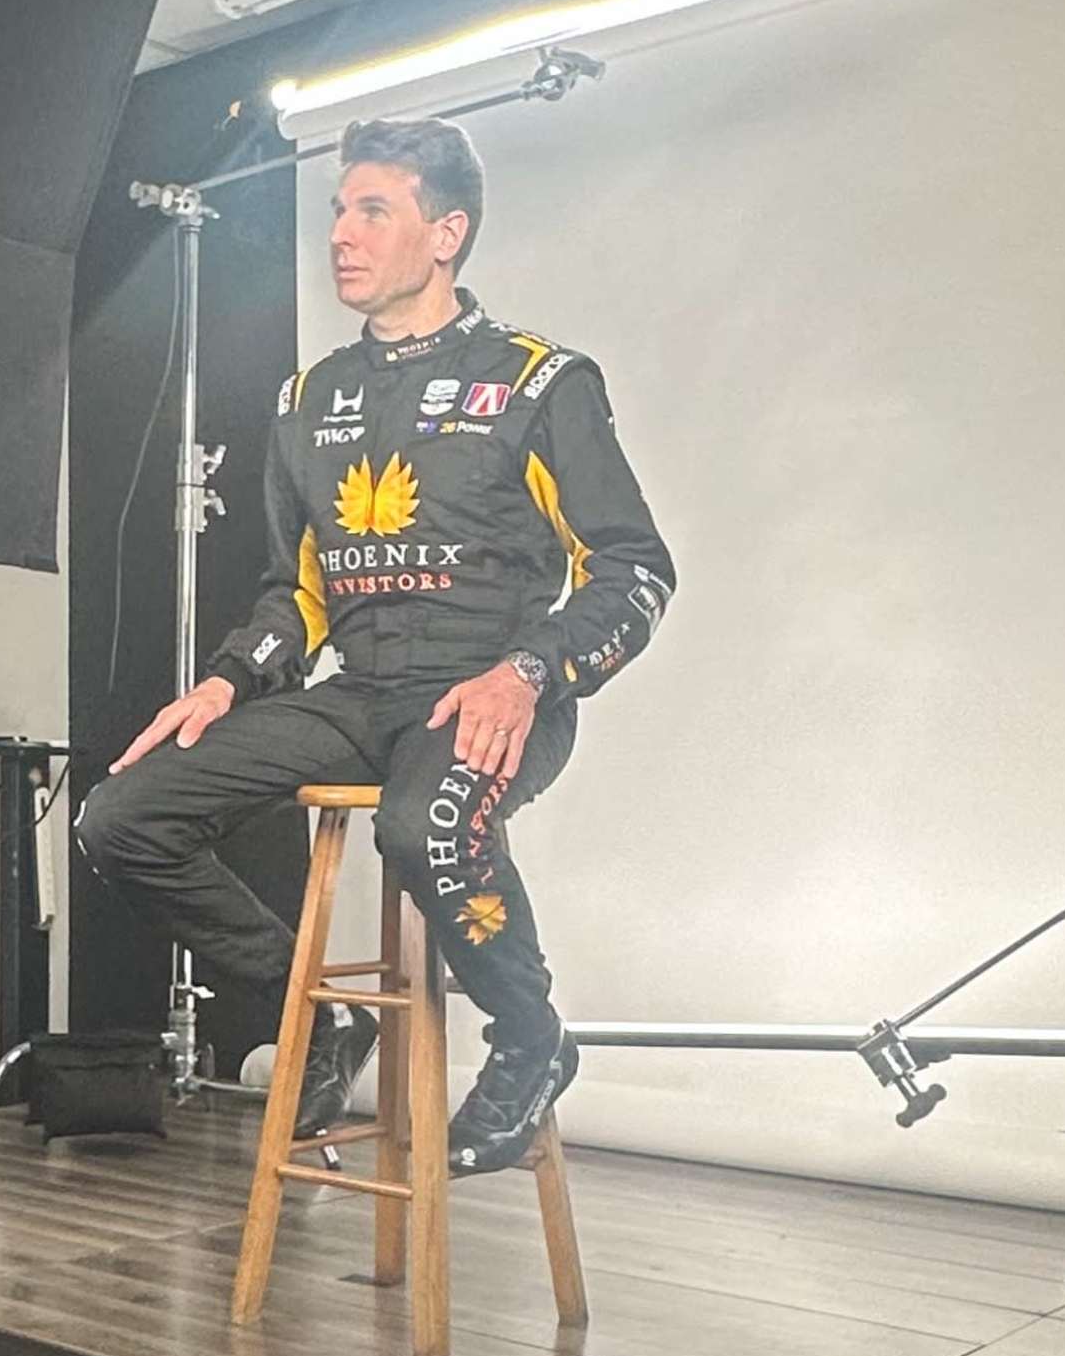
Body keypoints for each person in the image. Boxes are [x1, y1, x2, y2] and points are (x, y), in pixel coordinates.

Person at [78, 113, 673, 1171]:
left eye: (371, 210)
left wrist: (529, 671)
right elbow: (295, 593)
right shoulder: (309, 399)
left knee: (419, 828)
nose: (342, 234)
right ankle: (310, 1019)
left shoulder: (540, 382)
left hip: (485, 695)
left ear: (446, 233)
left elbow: (634, 568)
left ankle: (533, 1039)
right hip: (358, 696)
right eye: (339, 211)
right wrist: (225, 680)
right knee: (122, 814)